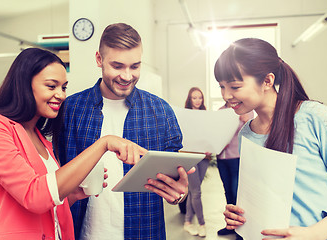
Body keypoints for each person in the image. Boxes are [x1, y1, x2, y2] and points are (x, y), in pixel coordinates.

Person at [0, 48, 145, 240]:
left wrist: (72, 194)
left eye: (63, 87)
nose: (61, 95)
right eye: (52, 86)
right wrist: (104, 143)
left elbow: (47, 208)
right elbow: (34, 196)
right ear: (24, 85)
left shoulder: (40, 137)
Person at [56, 23, 191, 240]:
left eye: (135, 66)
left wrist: (179, 195)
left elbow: (175, 185)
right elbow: (55, 178)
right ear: (99, 59)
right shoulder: (70, 109)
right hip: (83, 233)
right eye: (117, 66)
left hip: (145, 232)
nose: (127, 76)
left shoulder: (161, 111)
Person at [214, 38, 327, 239]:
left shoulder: (314, 117)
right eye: (221, 87)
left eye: (234, 87)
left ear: (267, 81)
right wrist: (239, 215)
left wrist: (313, 233)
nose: (226, 95)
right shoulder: (246, 134)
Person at [216, 102, 253, 239]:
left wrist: (246, 121)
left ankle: (241, 230)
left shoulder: (245, 110)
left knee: (237, 193)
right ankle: (230, 226)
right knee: (228, 192)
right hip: (221, 157)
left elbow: (251, 132)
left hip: (236, 157)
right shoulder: (221, 111)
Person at [182, 87, 210, 237]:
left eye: (200, 97)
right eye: (194, 98)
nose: (198, 100)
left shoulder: (206, 115)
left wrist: (209, 147)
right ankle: (202, 223)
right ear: (190, 99)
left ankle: (187, 222)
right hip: (190, 156)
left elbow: (209, 135)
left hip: (204, 158)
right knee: (197, 192)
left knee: (194, 191)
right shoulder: (185, 115)